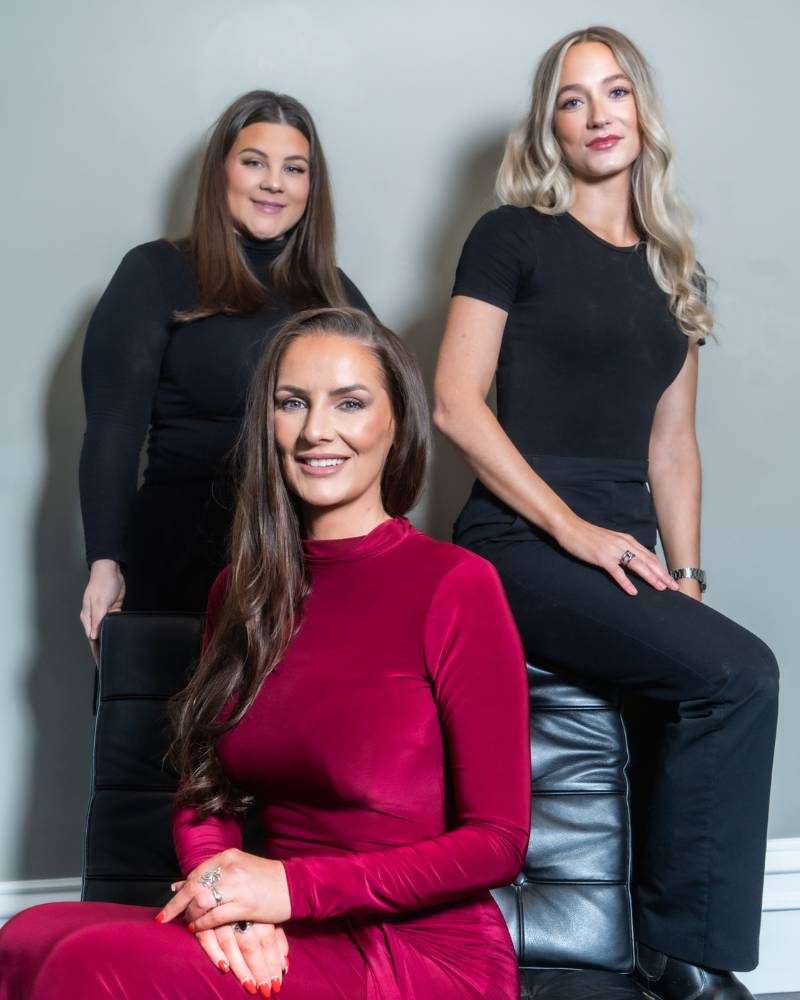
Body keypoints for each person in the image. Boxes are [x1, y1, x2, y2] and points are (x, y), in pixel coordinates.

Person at [1, 307, 531, 999]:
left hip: (421, 951)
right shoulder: (241, 590)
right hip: (275, 927)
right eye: (292, 403)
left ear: (397, 422)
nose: (317, 430)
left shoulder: (455, 585)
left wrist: (287, 888)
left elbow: (497, 840)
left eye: (350, 402)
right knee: (26, 934)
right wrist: (224, 906)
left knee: (87, 963)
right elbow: (204, 789)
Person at [433, 25, 778, 1000]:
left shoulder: (675, 271)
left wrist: (690, 578)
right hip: (519, 538)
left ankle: (667, 944)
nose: (596, 115)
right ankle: (686, 957)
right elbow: (453, 401)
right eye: (572, 98)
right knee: (745, 673)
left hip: (624, 549)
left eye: (613, 92)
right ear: (549, 125)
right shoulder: (510, 237)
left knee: (717, 663)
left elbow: (672, 445)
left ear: (641, 113)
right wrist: (573, 531)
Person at [79, 90, 371, 650]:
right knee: (175, 734)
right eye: (254, 162)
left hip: (304, 557)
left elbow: (387, 427)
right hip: (186, 551)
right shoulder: (155, 272)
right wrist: (105, 562)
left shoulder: (334, 294)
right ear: (221, 172)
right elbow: (113, 428)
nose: (273, 183)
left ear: (311, 187)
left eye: (294, 168)